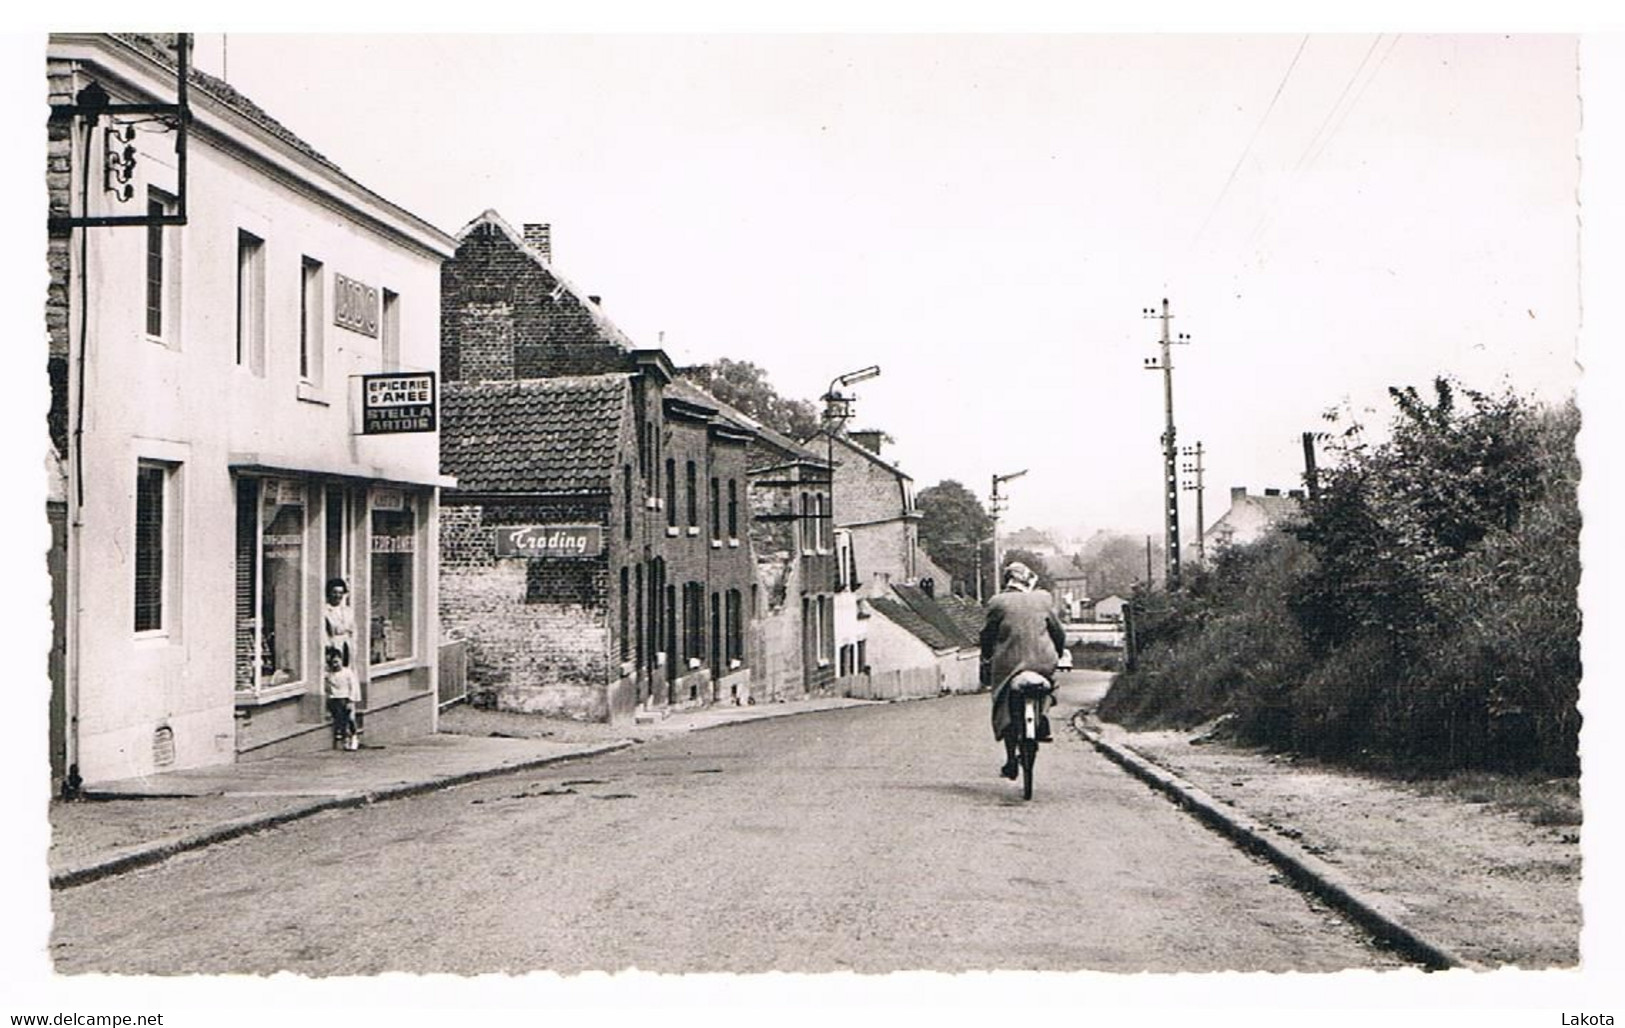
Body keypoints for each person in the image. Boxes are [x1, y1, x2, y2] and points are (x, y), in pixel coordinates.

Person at [980, 561, 1068, 780]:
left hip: (1009, 665)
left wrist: (987, 655)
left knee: (1004, 700)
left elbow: (988, 634)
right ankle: (1044, 716)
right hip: (1042, 662)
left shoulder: (998, 602)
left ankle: (1011, 759)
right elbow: (1058, 631)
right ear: (1028, 579)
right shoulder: (1043, 598)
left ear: (1007, 580)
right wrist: (1057, 652)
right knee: (1050, 686)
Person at [324, 646, 361, 751]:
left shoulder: (347, 673)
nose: (335, 665)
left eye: (337, 661)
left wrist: (351, 700)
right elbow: (327, 687)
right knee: (340, 720)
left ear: (341, 659)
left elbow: (353, 687)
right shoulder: (329, 675)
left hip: (346, 698)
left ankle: (354, 737)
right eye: (332, 663)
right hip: (335, 699)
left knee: (350, 718)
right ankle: (344, 739)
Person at [323, 577, 356, 668]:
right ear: (329, 593)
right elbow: (323, 634)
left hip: (347, 646)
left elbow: (353, 631)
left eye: (341, 593)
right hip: (333, 647)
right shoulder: (324, 611)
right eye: (335, 592)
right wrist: (330, 648)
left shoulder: (348, 611)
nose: (338, 596)